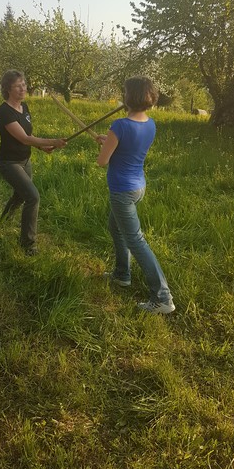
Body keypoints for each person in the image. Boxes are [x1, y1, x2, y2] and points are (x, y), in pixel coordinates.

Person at [96, 76, 175, 314]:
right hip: (138, 187)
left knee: (136, 241)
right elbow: (128, 149)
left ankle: (162, 297)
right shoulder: (150, 124)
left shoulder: (119, 126)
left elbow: (102, 161)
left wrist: (106, 145)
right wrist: (109, 142)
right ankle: (122, 274)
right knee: (115, 228)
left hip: (122, 190)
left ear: (129, 97)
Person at [0, 70, 66, 255]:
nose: (23, 88)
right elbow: (24, 138)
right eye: (18, 86)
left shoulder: (24, 107)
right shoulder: (4, 111)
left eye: (24, 84)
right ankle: (28, 244)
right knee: (33, 197)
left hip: (25, 160)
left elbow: (28, 135)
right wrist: (53, 141)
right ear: (8, 89)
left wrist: (42, 147)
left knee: (20, 195)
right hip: (9, 162)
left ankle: (3, 221)